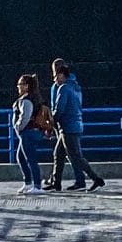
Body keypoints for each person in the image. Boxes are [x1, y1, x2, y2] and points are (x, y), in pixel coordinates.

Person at [45, 58, 105, 192]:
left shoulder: (63, 88)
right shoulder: (76, 87)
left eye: (56, 76)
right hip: (75, 124)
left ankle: (96, 179)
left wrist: (49, 124)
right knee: (59, 154)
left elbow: (59, 109)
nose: (54, 79)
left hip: (67, 127)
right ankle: (56, 182)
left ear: (61, 74)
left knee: (75, 156)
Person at [10, 73, 49, 196]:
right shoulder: (33, 98)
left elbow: (25, 117)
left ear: (27, 86)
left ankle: (37, 185)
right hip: (30, 132)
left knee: (30, 159)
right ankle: (28, 183)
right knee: (21, 157)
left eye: (20, 84)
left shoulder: (26, 101)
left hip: (28, 133)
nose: (18, 87)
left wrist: (18, 127)